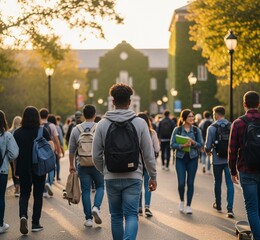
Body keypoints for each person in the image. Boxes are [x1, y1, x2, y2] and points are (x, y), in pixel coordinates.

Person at [93, 83, 157, 240]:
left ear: (113, 101)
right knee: (131, 215)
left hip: (111, 177)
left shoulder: (102, 124)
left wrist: (105, 170)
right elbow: (148, 154)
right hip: (133, 176)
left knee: (115, 216)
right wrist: (153, 176)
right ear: (130, 102)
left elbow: (95, 155)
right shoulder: (140, 123)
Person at [13, 106, 54, 234]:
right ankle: (35, 224)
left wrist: (15, 170)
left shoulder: (17, 133)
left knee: (24, 194)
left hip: (23, 168)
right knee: (38, 195)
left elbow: (15, 155)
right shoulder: (42, 131)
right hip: (39, 167)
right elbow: (51, 149)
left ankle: (23, 215)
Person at [228, 91, 260, 239]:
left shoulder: (239, 123)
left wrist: (232, 170)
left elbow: (232, 149)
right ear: (259, 104)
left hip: (246, 169)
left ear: (244, 104)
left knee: (252, 208)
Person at [69, 104, 104, 227]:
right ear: (95, 115)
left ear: (83, 115)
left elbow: (71, 150)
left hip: (82, 164)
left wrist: (71, 165)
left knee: (85, 191)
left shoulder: (76, 129)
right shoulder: (99, 127)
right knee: (100, 186)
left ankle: (88, 219)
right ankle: (96, 207)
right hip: (97, 164)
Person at [171, 109, 203, 214]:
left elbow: (200, 145)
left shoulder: (196, 130)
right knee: (181, 183)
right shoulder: (177, 130)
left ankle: (189, 205)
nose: (192, 118)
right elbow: (172, 144)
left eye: (192, 116)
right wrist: (182, 145)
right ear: (184, 118)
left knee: (190, 183)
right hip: (180, 159)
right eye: (189, 116)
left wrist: (193, 142)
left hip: (192, 159)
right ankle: (181, 201)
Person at [204, 106, 234, 218]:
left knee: (217, 182)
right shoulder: (231, 126)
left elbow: (207, 146)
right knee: (229, 183)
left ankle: (218, 205)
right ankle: (230, 209)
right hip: (229, 160)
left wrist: (208, 150)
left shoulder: (211, 128)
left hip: (216, 160)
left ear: (216, 114)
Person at [137, 112, 160, 217]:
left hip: (137, 163)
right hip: (148, 162)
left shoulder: (135, 132)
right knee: (148, 185)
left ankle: (139, 207)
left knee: (138, 185)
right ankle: (147, 207)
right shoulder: (152, 133)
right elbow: (157, 149)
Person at [0, 110, 19, 234]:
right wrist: (6, 158)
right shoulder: (6, 135)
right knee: (0, 197)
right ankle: (0, 224)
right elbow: (14, 153)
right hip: (2, 170)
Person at [39, 108, 61, 197]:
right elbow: (56, 139)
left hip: (40, 150)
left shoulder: (38, 125)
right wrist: (58, 151)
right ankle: (49, 183)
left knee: (42, 169)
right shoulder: (52, 126)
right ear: (47, 115)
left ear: (40, 116)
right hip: (51, 150)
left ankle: (44, 190)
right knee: (51, 168)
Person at [9, 116, 22, 197]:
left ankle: (16, 185)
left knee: (14, 170)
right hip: (20, 154)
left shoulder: (10, 132)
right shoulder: (21, 131)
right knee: (20, 170)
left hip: (12, 155)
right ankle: (20, 185)